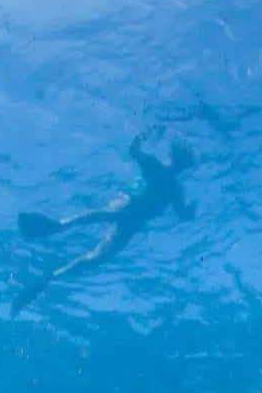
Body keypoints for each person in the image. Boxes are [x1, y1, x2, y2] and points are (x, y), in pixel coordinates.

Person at [12, 132, 194, 313]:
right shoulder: (170, 182)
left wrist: (141, 137)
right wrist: (190, 210)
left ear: (171, 155)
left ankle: (55, 253)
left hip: (128, 212)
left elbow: (134, 152)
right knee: (98, 255)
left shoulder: (164, 176)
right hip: (130, 213)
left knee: (98, 247)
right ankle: (53, 267)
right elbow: (182, 214)